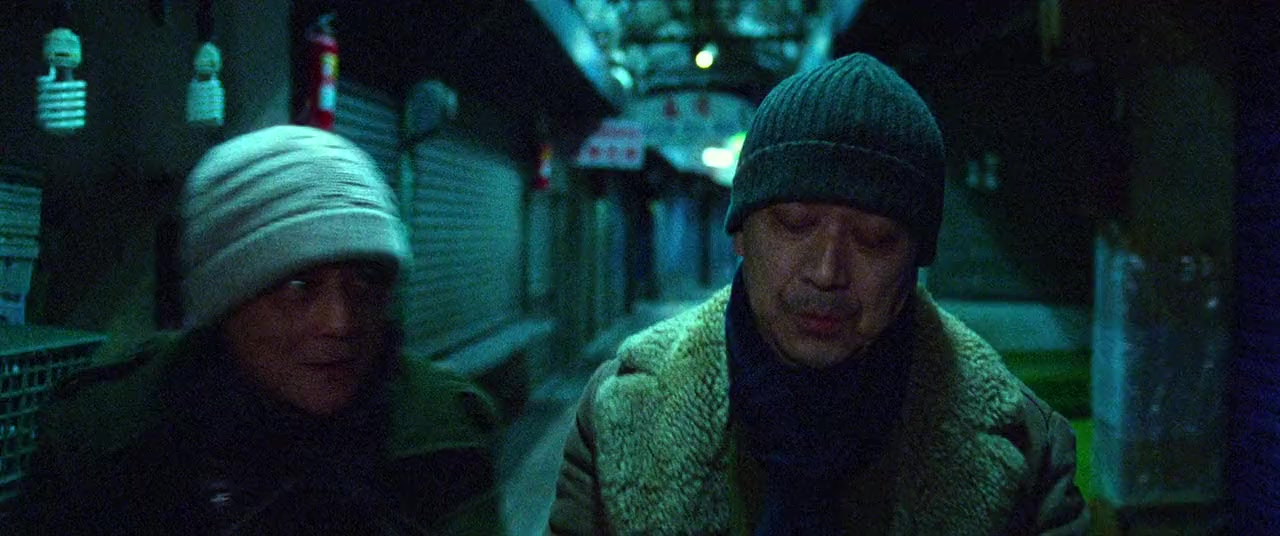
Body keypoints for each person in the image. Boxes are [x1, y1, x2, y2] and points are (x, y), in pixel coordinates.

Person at [548, 53, 1088, 534]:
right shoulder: (620, 412)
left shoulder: (1027, 451)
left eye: (875, 239)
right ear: (740, 233)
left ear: (916, 259)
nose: (828, 272)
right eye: (794, 223)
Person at [5, 125, 502, 534]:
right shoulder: (106, 437)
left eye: (366, 282)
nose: (340, 323)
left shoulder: (441, 429)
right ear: (224, 302)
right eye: (299, 286)